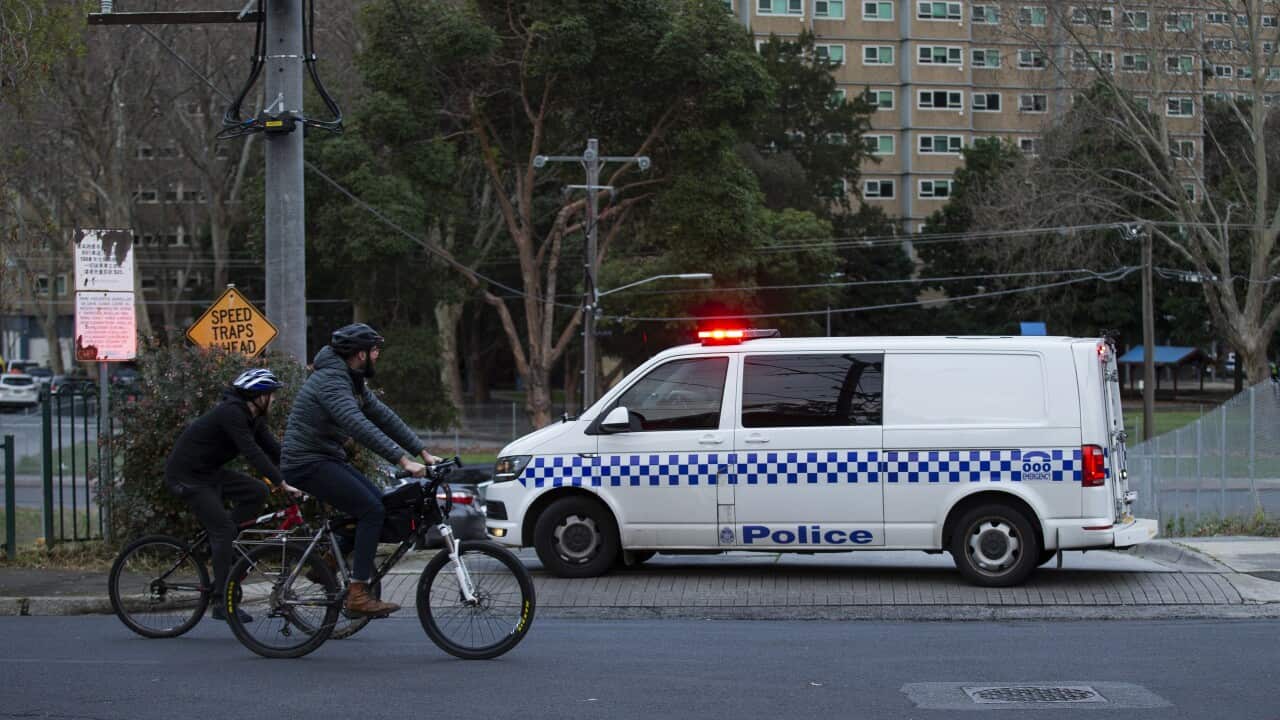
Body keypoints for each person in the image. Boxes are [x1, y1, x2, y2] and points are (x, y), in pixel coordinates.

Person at [281, 323, 441, 618]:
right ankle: (357, 594)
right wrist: (402, 461)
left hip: (325, 458)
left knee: (376, 504)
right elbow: (357, 423)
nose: (378, 354)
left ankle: (329, 562)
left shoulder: (350, 379)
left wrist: (423, 451)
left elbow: (381, 415)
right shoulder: (331, 381)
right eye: (374, 349)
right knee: (371, 511)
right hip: (306, 463)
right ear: (359, 354)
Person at [164, 368, 299, 622]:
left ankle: (224, 545)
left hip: (208, 473)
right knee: (223, 530)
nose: (275, 400)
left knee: (257, 491)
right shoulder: (231, 413)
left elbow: (272, 449)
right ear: (258, 396)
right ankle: (220, 602)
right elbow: (251, 452)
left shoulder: (253, 417)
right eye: (272, 395)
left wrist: (298, 474)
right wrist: (281, 482)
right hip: (187, 476)